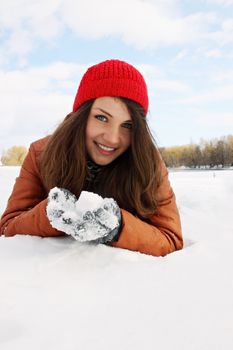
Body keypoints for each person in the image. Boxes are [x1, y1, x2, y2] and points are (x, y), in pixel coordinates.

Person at [0, 59, 183, 256]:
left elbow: (170, 238)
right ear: (82, 116)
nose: (112, 138)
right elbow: (7, 228)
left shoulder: (148, 163)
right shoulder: (41, 153)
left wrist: (118, 227)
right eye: (102, 118)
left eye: (127, 126)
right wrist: (48, 215)